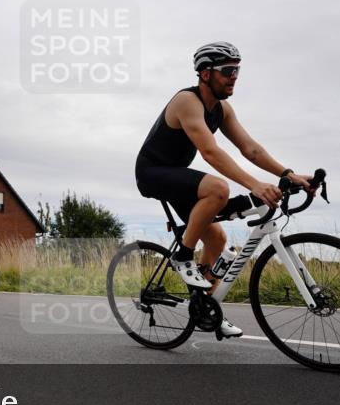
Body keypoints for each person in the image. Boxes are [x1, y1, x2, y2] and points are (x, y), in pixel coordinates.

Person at [135, 42, 316, 337]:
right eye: (228, 70)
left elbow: (251, 149)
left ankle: (205, 309)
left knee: (217, 236)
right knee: (219, 189)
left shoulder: (222, 110)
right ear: (205, 74)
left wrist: (288, 174)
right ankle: (183, 256)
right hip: (152, 172)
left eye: (237, 70)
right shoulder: (186, 102)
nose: (234, 76)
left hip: (181, 177)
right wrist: (255, 184)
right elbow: (209, 152)